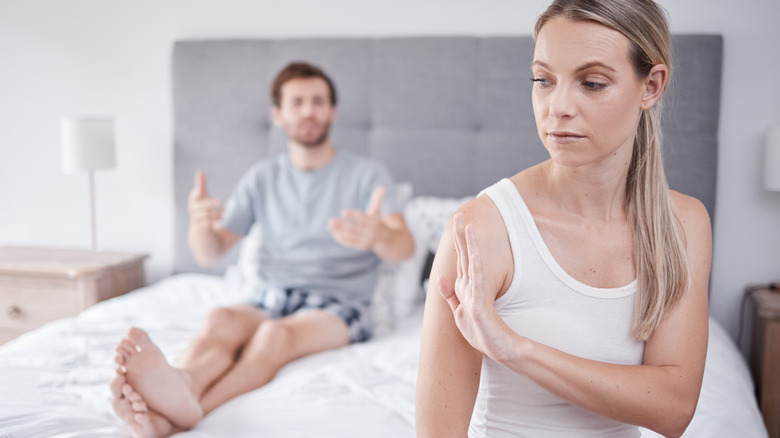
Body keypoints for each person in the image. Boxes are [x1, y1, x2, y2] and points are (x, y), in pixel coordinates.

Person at [416, 1, 712, 437]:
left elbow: (673, 409)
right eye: (543, 80)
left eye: (591, 83)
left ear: (650, 86)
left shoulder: (682, 224)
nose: (558, 106)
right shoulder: (481, 228)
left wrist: (515, 349)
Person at [110, 61, 415, 438]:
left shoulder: (368, 174)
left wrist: (378, 236)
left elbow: (404, 245)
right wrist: (200, 225)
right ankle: (183, 381)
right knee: (221, 319)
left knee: (274, 337)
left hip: (338, 303)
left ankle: (191, 412)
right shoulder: (263, 177)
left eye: (318, 101)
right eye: (297, 102)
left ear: (332, 111)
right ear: (277, 114)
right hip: (270, 295)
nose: (308, 111)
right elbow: (210, 252)